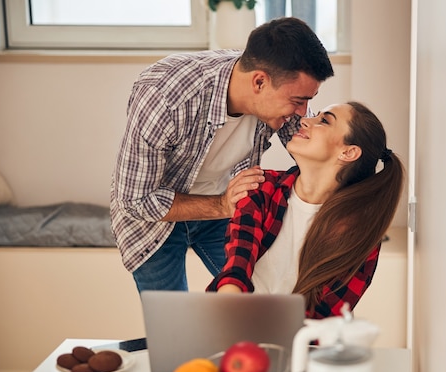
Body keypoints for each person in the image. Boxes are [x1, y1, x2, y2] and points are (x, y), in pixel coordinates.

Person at [110, 17, 334, 293]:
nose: (303, 113)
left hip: (223, 209)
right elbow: (136, 200)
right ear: (259, 82)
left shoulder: (278, 95)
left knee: (258, 301)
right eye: (298, 101)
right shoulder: (166, 97)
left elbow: (314, 156)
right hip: (154, 218)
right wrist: (220, 205)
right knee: (172, 325)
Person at [206, 102, 405, 319]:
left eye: (324, 121)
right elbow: (236, 267)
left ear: (348, 152)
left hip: (301, 344)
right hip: (234, 321)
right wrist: (229, 320)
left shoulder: (360, 233)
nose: (304, 120)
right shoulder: (261, 186)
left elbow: (325, 315)